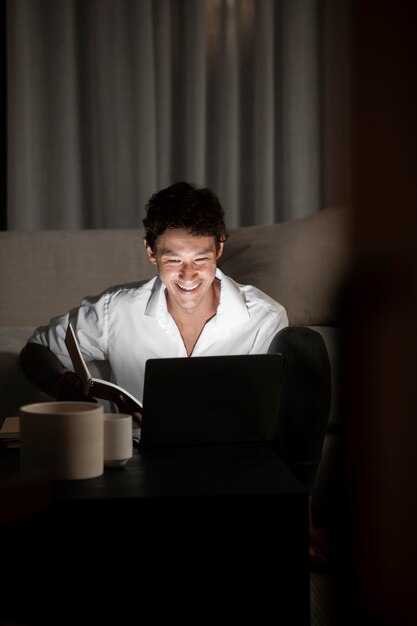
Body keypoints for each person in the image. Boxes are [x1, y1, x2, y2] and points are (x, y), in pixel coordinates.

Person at [20, 181, 289, 421]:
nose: (188, 275)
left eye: (200, 259)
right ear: (151, 252)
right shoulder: (115, 310)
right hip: (139, 462)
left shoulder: (266, 318)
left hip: (230, 463)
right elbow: (36, 349)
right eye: (173, 259)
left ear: (219, 248)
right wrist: (58, 383)